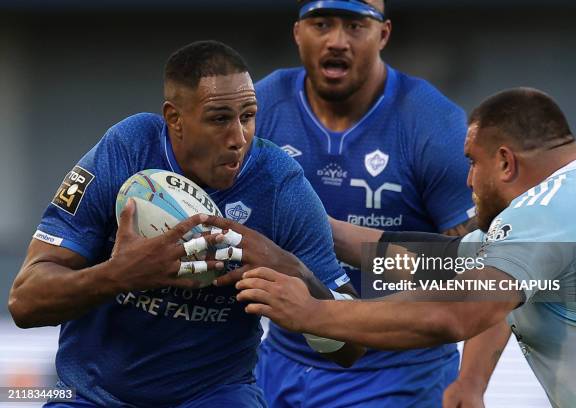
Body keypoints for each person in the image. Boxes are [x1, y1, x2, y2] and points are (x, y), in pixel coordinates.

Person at [7, 40, 362, 408]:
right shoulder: (126, 151)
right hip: (92, 396)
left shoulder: (279, 186)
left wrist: (292, 270)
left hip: (214, 395)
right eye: (220, 119)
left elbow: (351, 347)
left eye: (248, 115)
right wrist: (119, 275)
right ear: (175, 119)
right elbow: (25, 302)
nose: (238, 138)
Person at [237, 87, 576, 408]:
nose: (468, 179)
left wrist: (313, 314)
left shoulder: (549, 210)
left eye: (472, 162)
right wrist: (299, 217)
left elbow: (454, 314)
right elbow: (431, 261)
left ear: (504, 162)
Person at [254, 0, 509, 406]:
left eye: (355, 26)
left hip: (396, 375)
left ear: (383, 34)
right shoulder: (261, 107)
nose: (337, 41)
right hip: (282, 361)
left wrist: (472, 383)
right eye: (322, 24)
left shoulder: (432, 123)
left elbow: (490, 269)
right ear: (298, 32)